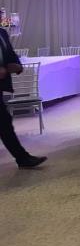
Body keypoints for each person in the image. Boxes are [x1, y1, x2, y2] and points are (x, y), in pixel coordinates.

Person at [0, 27, 48, 168]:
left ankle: (22, 158)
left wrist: (18, 65)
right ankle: (22, 158)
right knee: (4, 122)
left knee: (4, 123)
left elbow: (10, 54)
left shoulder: (2, 33)